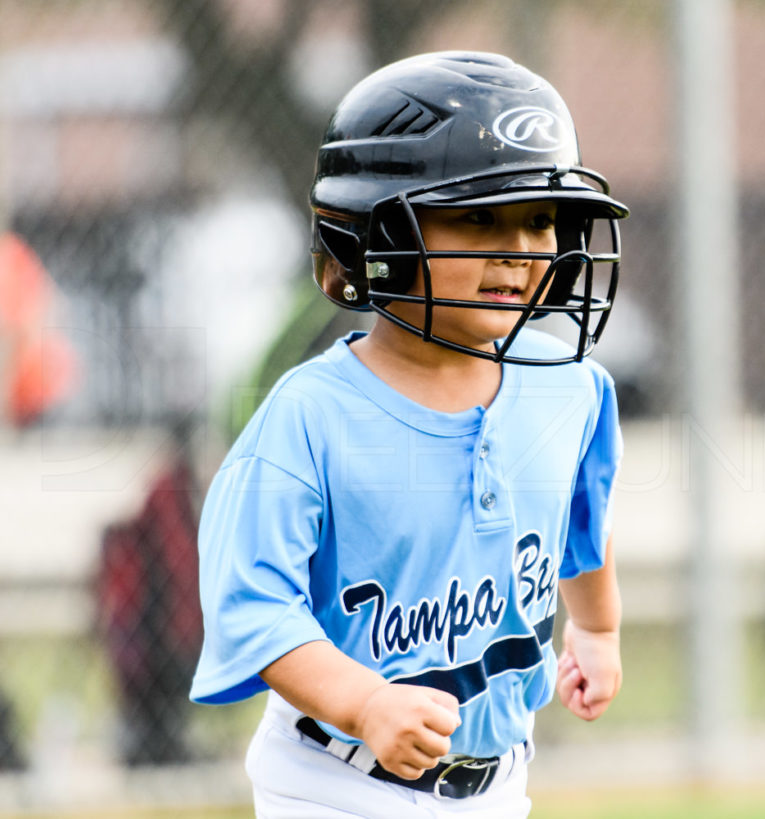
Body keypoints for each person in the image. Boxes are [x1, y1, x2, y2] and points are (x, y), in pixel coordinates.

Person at [190, 51, 629, 818]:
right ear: (377, 231)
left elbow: (580, 528)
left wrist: (596, 627)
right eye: (479, 217)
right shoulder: (311, 415)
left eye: (537, 218)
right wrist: (363, 702)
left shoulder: (573, 389)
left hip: (499, 784)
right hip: (333, 783)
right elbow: (253, 605)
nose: (522, 250)